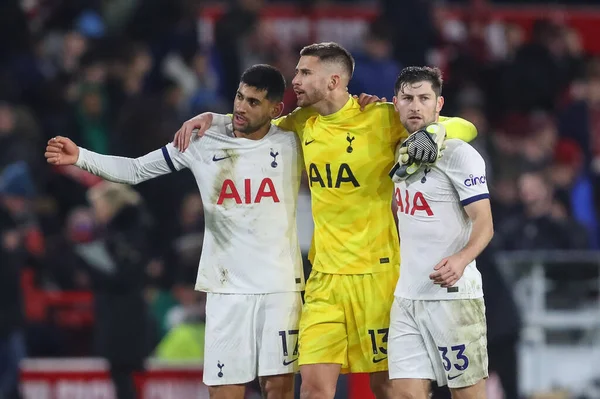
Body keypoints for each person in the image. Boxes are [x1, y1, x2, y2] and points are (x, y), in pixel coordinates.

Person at [171, 43, 478, 399]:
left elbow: (465, 127)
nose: (295, 80)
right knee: (314, 388)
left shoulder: (379, 116)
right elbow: (256, 123)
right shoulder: (303, 122)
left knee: (391, 388)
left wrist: (434, 133)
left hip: (376, 277)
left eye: (305, 73)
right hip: (324, 282)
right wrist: (216, 118)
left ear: (333, 80)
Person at [45, 64, 306, 399]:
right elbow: (136, 169)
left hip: (280, 287)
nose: (241, 107)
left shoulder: (292, 141)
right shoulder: (202, 143)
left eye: (253, 102)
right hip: (226, 289)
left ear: (275, 109)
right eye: (239, 97)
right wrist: (81, 156)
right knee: (224, 388)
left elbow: (334, 119)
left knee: (279, 387)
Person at [388, 66, 494, 398]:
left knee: (467, 395)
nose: (415, 106)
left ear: (439, 104)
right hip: (407, 297)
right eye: (407, 98)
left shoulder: (460, 155)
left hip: (454, 298)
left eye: (424, 98)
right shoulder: (401, 153)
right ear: (396, 104)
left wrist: (462, 260)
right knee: (404, 393)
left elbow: (485, 222)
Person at [83, 181, 154, 399]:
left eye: (97, 206)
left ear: (110, 205)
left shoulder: (128, 235)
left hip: (124, 319)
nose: (95, 212)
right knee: (122, 378)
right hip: (119, 316)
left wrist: (94, 268)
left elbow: (125, 277)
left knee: (123, 378)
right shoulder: (123, 232)